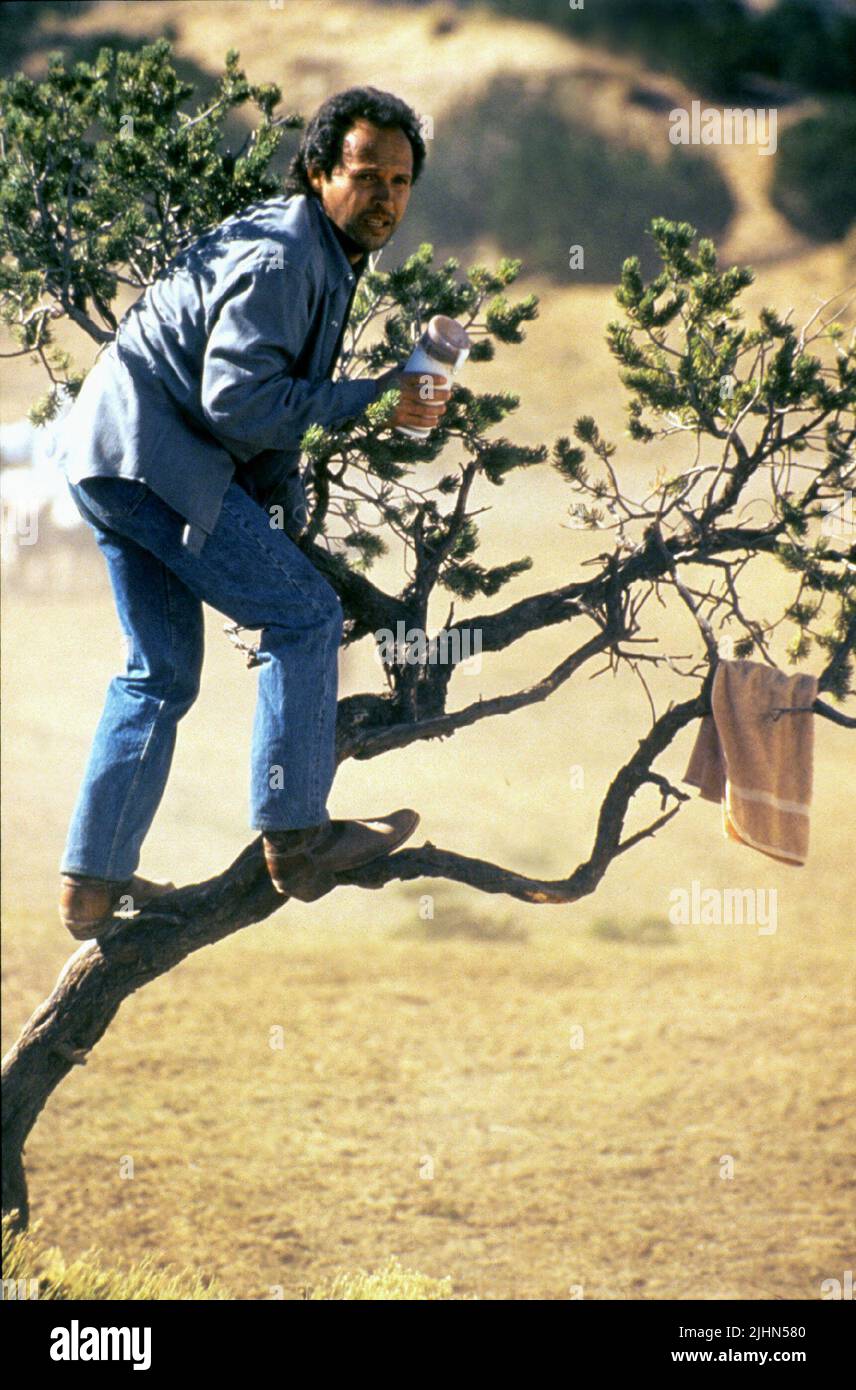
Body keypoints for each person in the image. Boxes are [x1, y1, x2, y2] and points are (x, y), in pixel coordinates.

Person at [57, 86, 451, 939]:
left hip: (108, 456)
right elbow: (239, 402)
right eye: (366, 174)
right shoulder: (286, 257)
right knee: (305, 613)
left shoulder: (320, 248)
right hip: (153, 465)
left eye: (401, 180)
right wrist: (375, 396)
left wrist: (286, 495)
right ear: (318, 172)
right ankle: (298, 839)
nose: (386, 195)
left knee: (158, 673)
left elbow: (259, 404)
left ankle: (92, 886)